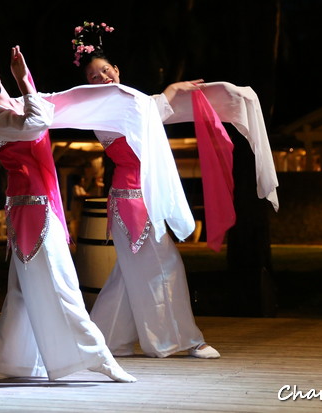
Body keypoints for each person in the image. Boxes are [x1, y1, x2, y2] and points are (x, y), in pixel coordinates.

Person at [0, 23, 136, 382]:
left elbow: (65, 103)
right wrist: (24, 80)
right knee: (62, 283)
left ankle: (10, 363)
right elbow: (35, 124)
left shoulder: (21, 102)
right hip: (32, 209)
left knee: (22, 290)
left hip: (38, 206)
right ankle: (98, 358)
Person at [70, 21, 220, 359]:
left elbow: (149, 112)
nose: (102, 79)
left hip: (139, 197)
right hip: (132, 200)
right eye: (94, 77)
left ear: (117, 70)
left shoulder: (132, 100)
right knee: (164, 268)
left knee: (129, 275)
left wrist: (172, 91)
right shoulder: (103, 113)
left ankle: (106, 342)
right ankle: (181, 340)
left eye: (105, 71)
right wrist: (168, 94)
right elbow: (145, 116)